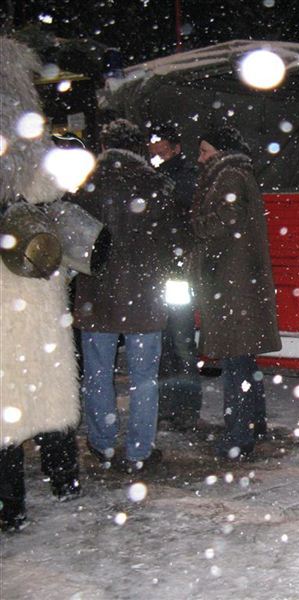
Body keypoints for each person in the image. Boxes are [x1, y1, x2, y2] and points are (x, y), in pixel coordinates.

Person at [0, 37, 82, 531]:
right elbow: (56, 187)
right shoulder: (35, 146)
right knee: (48, 388)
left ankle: (10, 506)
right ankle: (64, 479)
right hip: (36, 278)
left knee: (6, 400)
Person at [72, 118, 175, 473]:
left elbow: (72, 236)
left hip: (96, 294)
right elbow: (171, 240)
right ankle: (139, 451)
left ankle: (102, 444)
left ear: (105, 146)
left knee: (97, 373)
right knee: (144, 377)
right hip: (144, 295)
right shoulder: (155, 184)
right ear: (138, 147)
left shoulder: (88, 183)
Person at [191, 125, 281, 459]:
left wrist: (197, 225)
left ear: (221, 150)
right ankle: (253, 425)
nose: (200, 157)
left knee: (235, 363)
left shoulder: (227, 176)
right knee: (243, 360)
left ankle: (238, 436)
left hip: (231, 287)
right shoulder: (238, 174)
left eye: (204, 150)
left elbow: (225, 219)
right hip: (239, 285)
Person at [147, 122, 203, 432]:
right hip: (161, 270)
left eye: (163, 148)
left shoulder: (185, 175)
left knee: (180, 342)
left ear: (176, 148)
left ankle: (186, 408)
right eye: (154, 147)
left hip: (177, 271)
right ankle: (169, 406)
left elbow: (183, 204)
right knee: (164, 344)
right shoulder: (156, 176)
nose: (157, 152)